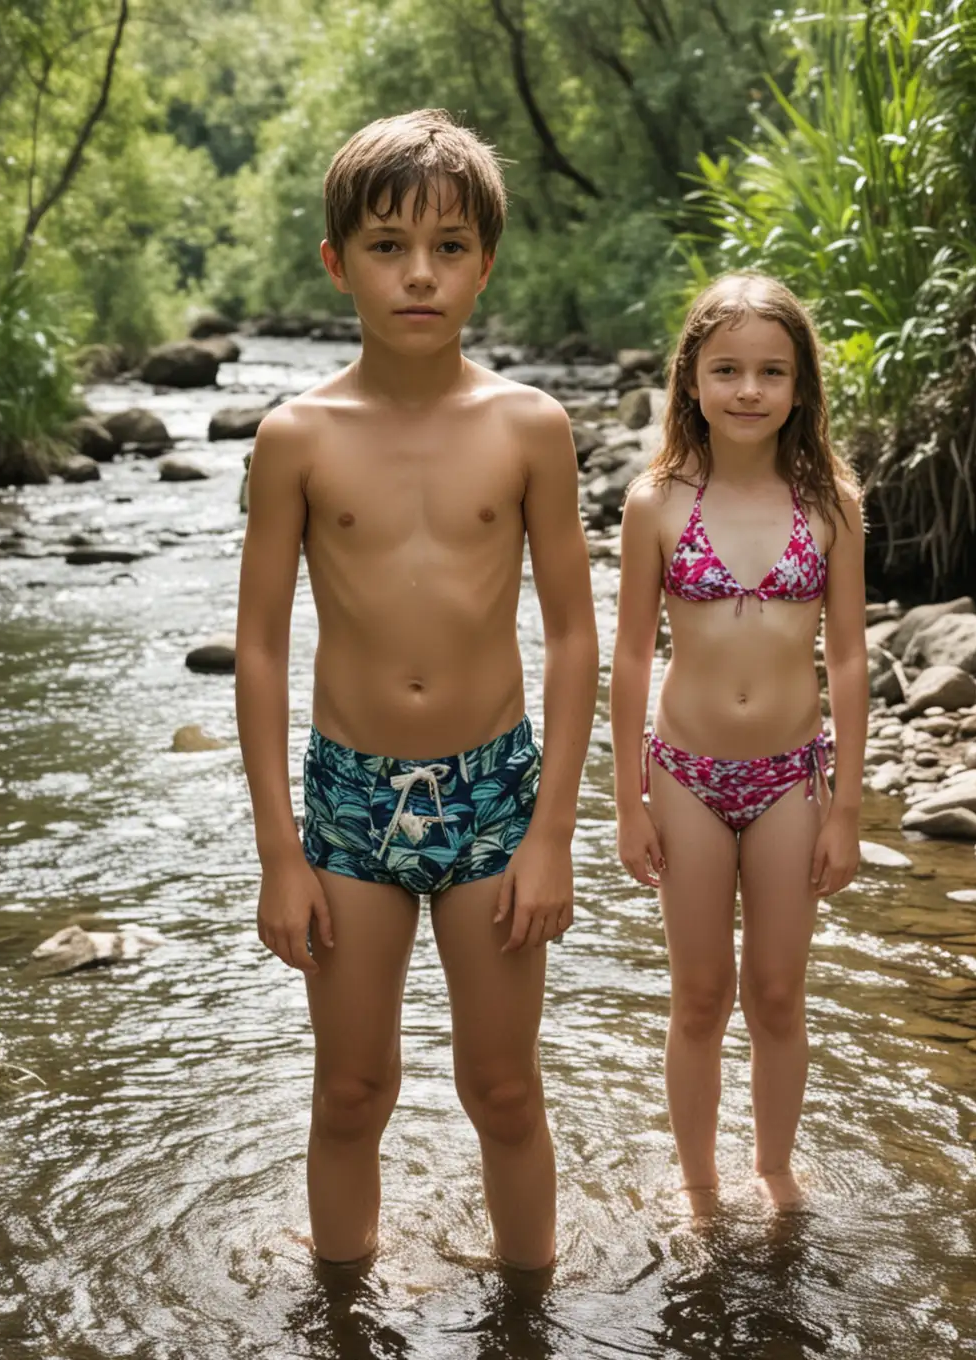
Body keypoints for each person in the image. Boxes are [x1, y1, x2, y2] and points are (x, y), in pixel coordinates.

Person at [235, 110, 598, 1270]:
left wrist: (553, 835)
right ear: (339, 264)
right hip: (349, 797)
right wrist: (279, 854)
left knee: (503, 1086)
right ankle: (341, 1324)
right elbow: (258, 648)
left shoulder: (530, 428)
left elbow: (577, 639)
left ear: (485, 265)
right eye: (389, 247)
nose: (420, 273)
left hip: (494, 787)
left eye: (448, 247)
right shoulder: (297, 437)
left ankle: (528, 1314)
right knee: (350, 1090)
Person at [609, 272, 867, 1214]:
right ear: (691, 380)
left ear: (800, 388)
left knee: (778, 993)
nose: (749, 390)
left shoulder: (830, 502)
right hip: (683, 774)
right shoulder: (658, 502)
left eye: (771, 371)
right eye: (727, 370)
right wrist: (626, 799)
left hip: (793, 777)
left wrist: (847, 806)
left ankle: (774, 1169)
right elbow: (631, 656)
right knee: (700, 996)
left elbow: (847, 660)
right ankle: (700, 1184)